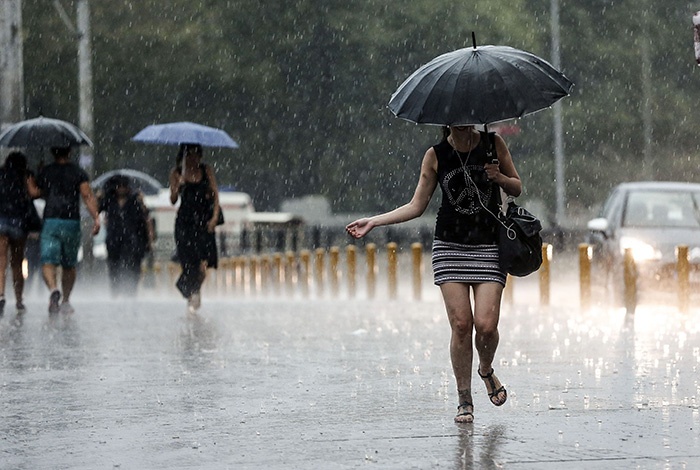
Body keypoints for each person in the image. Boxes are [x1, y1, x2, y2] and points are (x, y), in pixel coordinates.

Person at [346, 125, 522, 423]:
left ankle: (486, 369)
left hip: (489, 245)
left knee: (487, 325)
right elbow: (417, 205)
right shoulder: (436, 155)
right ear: (445, 120)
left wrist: (499, 177)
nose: (461, 121)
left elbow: (516, 187)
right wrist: (374, 221)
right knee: (462, 324)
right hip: (449, 247)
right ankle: (464, 398)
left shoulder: (494, 144)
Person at [37, 146, 100, 314]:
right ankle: (65, 300)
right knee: (69, 264)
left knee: (48, 261)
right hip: (71, 222)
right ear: (70, 152)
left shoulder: (47, 171)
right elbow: (87, 196)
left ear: (52, 152)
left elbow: (36, 192)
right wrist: (96, 218)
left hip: (51, 220)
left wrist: (38, 173)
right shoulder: (78, 173)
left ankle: (52, 289)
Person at [168, 143, 220, 313]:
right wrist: (178, 185)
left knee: (203, 263)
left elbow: (215, 196)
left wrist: (213, 219)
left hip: (203, 223)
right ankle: (193, 295)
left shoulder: (206, 171)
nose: (193, 158)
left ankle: (190, 289)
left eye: (196, 155)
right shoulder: (177, 173)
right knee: (188, 262)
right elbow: (173, 200)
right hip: (185, 223)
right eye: (189, 155)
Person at [98, 174, 152, 297]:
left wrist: (149, 240)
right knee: (114, 266)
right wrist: (99, 198)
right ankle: (115, 291)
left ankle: (131, 291)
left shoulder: (135, 200)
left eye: (124, 186)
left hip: (132, 240)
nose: (121, 188)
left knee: (133, 266)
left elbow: (145, 217)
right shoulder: (109, 200)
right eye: (119, 186)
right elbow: (97, 209)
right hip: (114, 239)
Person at [0, 152, 41, 315]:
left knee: (1, 261)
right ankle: (19, 300)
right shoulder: (26, 175)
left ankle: (1, 295)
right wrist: (37, 176)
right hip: (19, 221)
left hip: (1, 219)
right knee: (17, 263)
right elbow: (34, 194)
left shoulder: (1, 174)